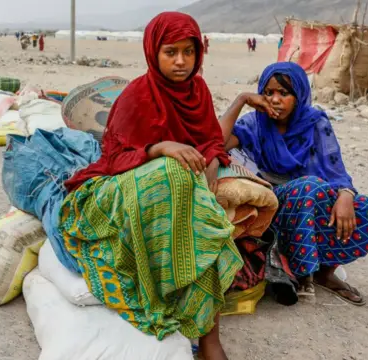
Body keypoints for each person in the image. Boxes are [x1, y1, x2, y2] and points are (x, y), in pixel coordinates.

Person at [60, 12, 243, 360]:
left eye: (189, 52)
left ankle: (208, 336)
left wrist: (211, 167)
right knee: (174, 175)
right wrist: (159, 148)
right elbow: (114, 157)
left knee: (202, 212)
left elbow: (209, 142)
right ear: (153, 52)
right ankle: (207, 339)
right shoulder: (137, 95)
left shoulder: (198, 91)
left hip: (176, 184)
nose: (181, 62)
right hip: (118, 186)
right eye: (170, 52)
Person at [219, 62, 368, 306]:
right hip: (273, 205)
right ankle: (299, 271)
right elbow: (216, 144)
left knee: (364, 211)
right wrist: (242, 100)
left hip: (315, 199)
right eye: (269, 92)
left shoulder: (315, 123)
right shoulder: (254, 124)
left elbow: (335, 170)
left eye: (284, 93)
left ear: (299, 96)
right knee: (308, 188)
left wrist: (346, 195)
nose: (275, 100)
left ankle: (324, 273)